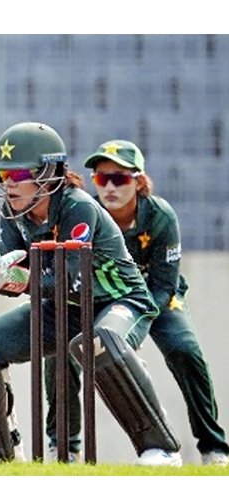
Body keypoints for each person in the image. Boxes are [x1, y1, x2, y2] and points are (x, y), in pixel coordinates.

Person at [0, 121, 183, 466]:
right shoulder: (15, 214)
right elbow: (22, 273)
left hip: (119, 299)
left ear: (46, 174)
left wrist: (8, 277)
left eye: (15, 176)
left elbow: (69, 278)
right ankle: (1, 449)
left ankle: (160, 447)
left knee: (100, 343)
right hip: (64, 306)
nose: (6, 185)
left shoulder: (78, 207)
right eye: (1, 177)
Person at [44, 140, 228, 466]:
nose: (110, 187)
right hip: (104, 300)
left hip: (158, 298)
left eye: (120, 179)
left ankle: (214, 448)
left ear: (139, 182)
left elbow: (165, 285)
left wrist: (135, 329)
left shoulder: (160, 216)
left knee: (185, 350)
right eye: (102, 179)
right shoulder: (84, 213)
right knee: (62, 352)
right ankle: (65, 449)